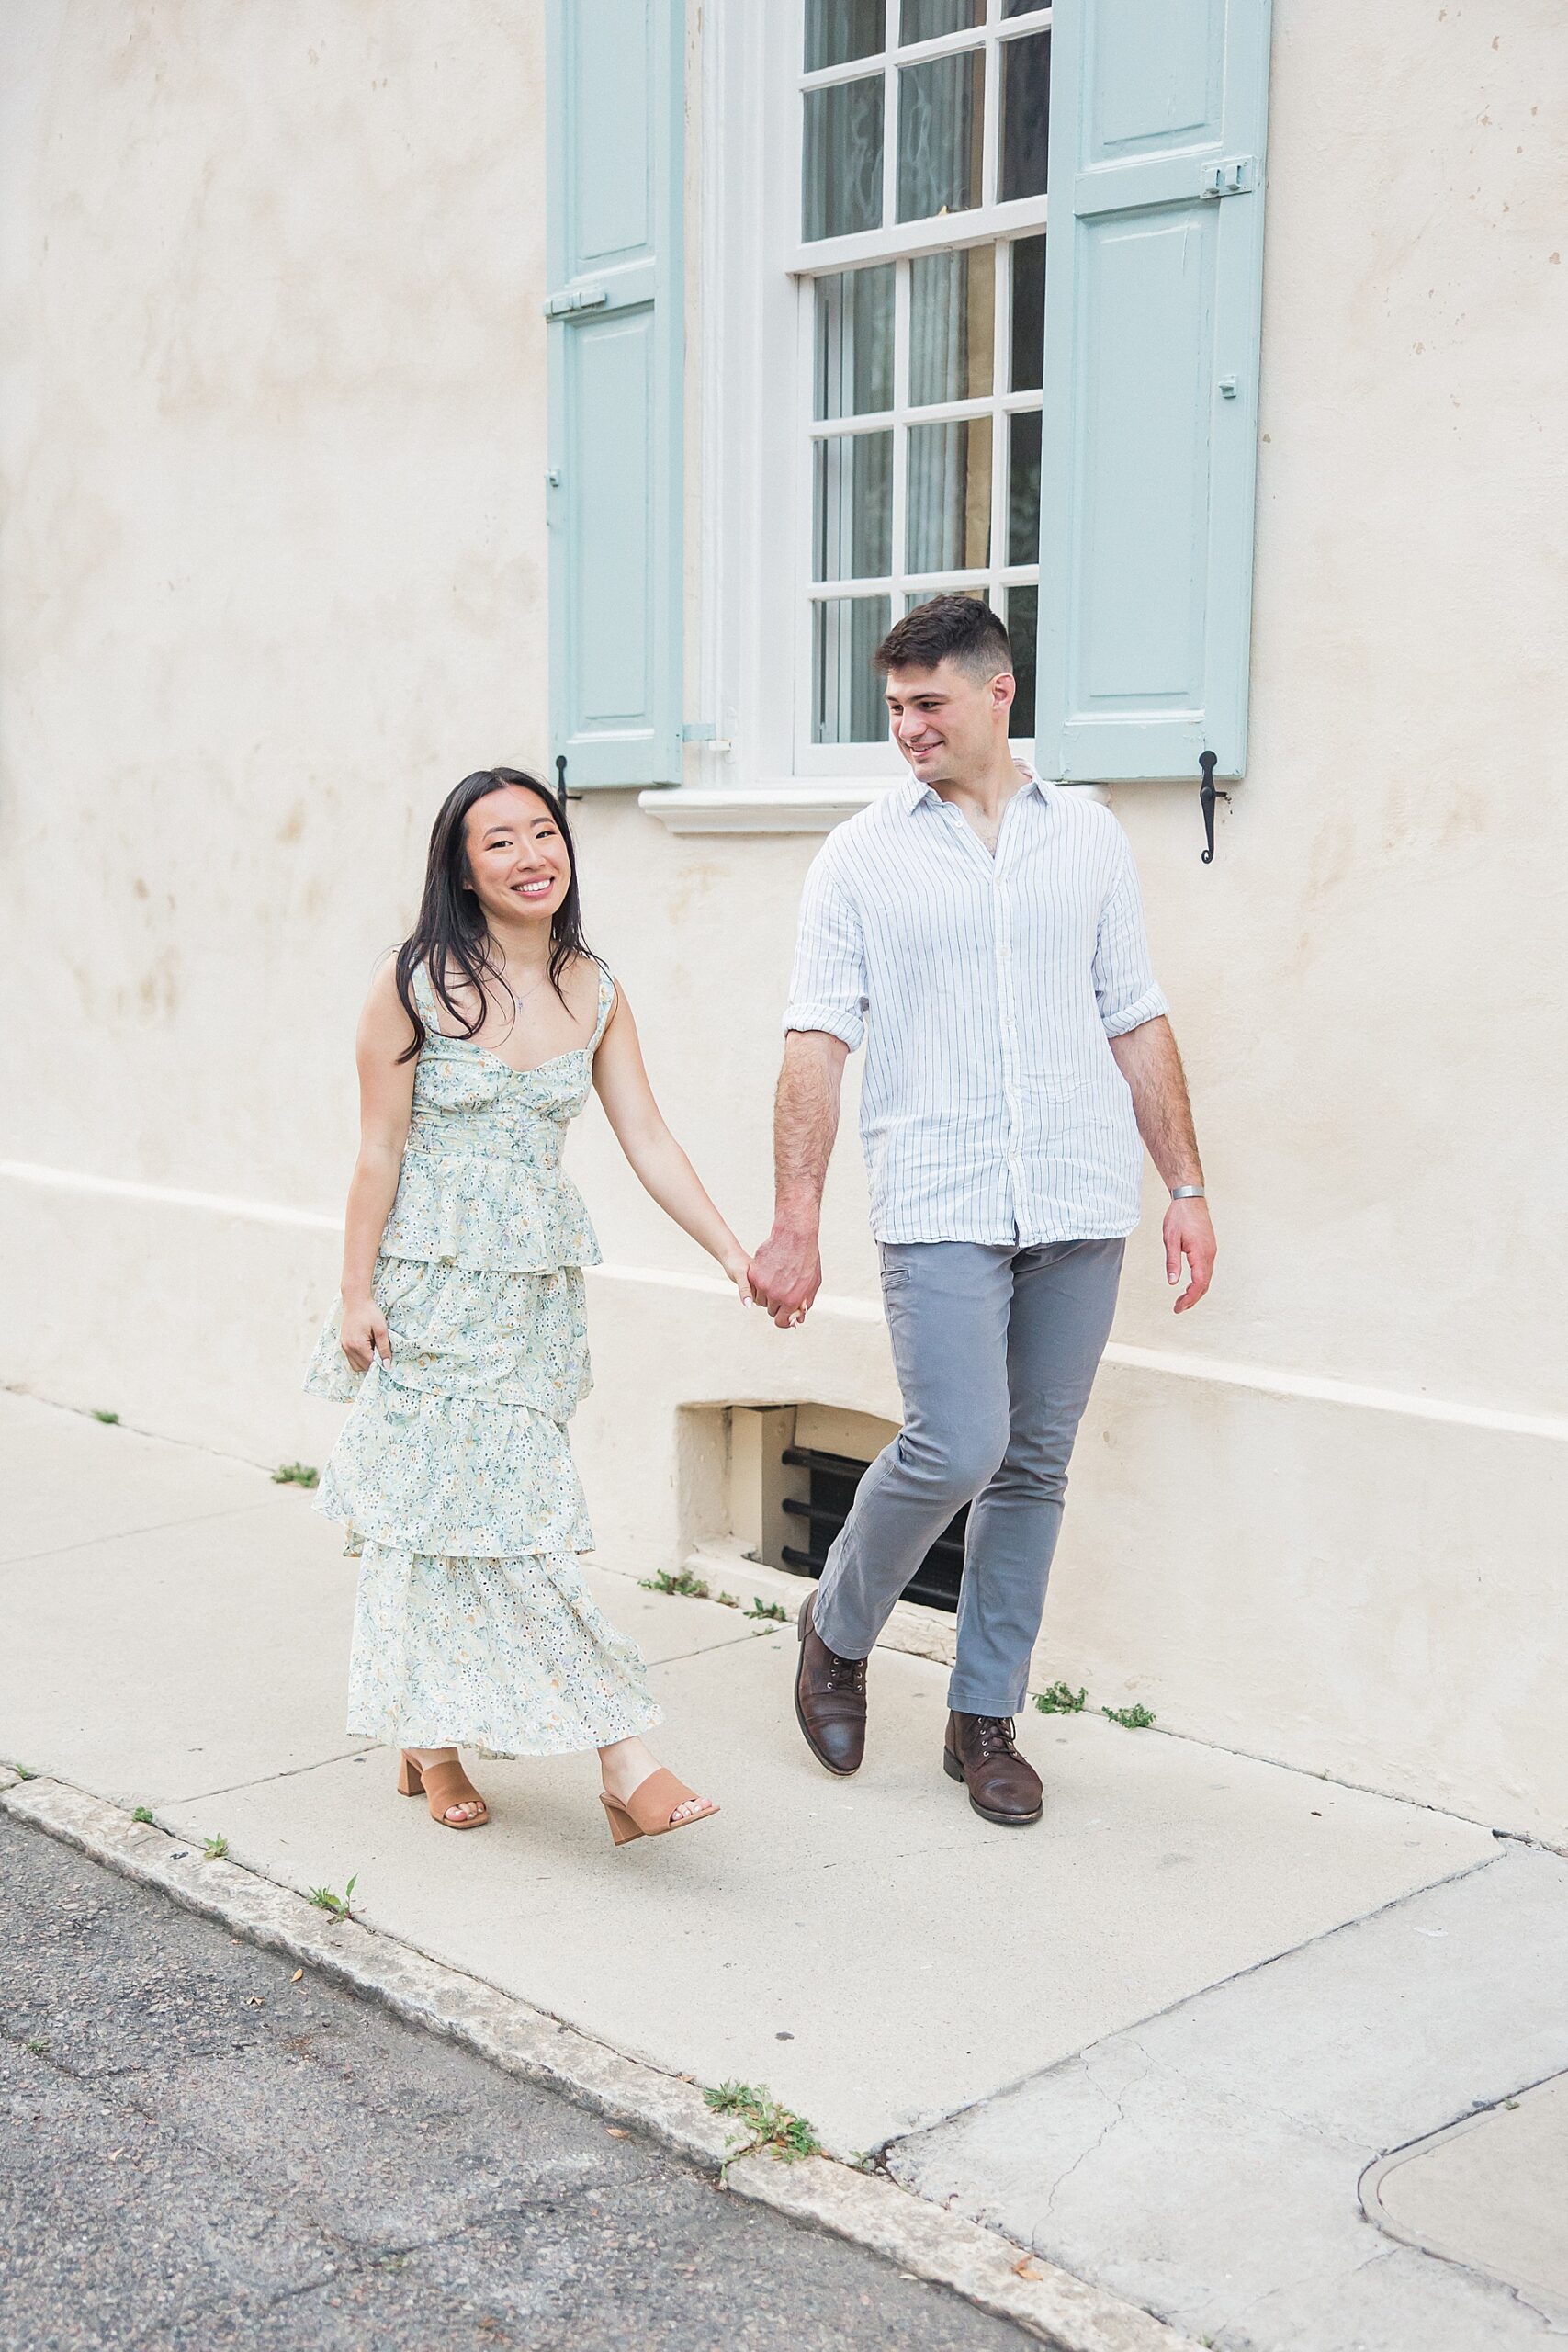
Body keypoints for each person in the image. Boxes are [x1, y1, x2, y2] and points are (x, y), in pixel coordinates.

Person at [748, 598, 1216, 1828]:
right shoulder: (857, 856)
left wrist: (1184, 1186)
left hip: (1077, 1193)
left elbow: (1134, 1012)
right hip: (938, 1197)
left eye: (925, 704)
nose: (903, 727)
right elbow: (814, 1042)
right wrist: (794, 1218)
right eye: (891, 706)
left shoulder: (1092, 840)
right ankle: (835, 1627)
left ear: (996, 695)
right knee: (956, 1444)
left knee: (1032, 1467)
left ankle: (983, 1718)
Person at [306, 767, 749, 1841]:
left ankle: (432, 1734)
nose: (530, 853)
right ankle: (598, 1755)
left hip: (532, 1301)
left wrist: (734, 1250)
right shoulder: (412, 982)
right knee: (447, 1525)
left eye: (543, 831)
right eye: (498, 840)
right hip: (425, 1292)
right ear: (461, 868)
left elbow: (647, 1137)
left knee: (512, 1524)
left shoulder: (595, 985)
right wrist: (354, 1291)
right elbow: (379, 1148)